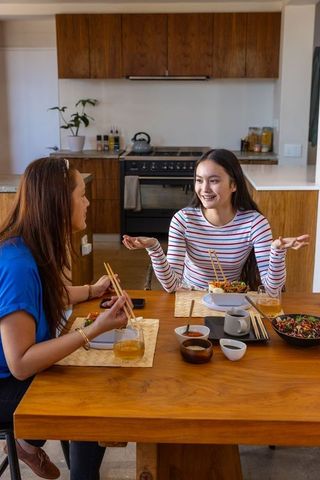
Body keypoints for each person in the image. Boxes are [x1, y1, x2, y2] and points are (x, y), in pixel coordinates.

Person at [0, 157, 129, 480]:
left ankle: (32, 446)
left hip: (14, 372)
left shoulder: (32, 247)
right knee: (87, 394)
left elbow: (47, 294)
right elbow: (21, 363)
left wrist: (91, 290)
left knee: (89, 374)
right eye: (81, 195)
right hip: (5, 383)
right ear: (59, 204)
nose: (87, 202)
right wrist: (95, 329)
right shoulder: (17, 265)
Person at [123, 149, 309, 294]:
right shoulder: (183, 220)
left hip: (231, 299)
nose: (204, 189)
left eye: (213, 181)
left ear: (234, 184)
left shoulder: (255, 223)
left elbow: (271, 290)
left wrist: (277, 251)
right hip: (190, 298)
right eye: (199, 180)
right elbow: (172, 286)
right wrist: (155, 247)